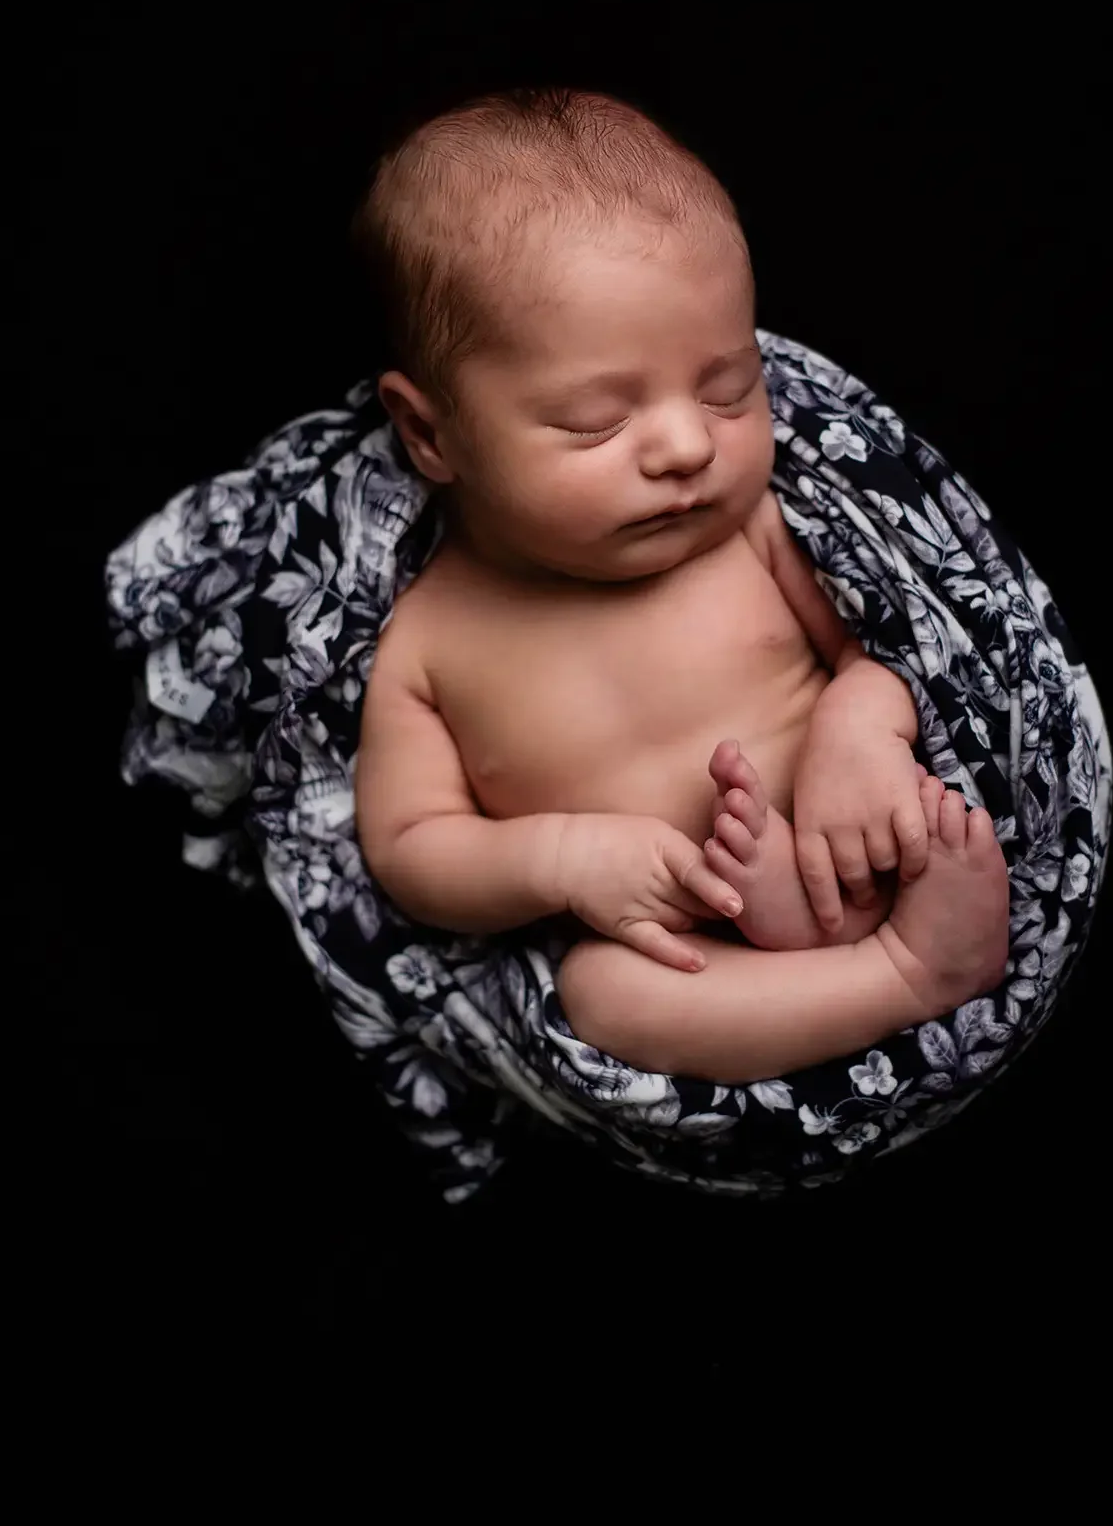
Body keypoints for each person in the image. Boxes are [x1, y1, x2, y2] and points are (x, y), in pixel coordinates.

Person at [351, 88, 1009, 1085]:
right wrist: (561, 856)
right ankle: (908, 976)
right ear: (431, 433)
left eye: (728, 387)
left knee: (940, 810)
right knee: (600, 996)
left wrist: (857, 732)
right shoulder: (426, 640)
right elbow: (409, 848)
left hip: (868, 851)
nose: (689, 444)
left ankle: (895, 928)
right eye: (596, 423)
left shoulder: (751, 527)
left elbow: (877, 651)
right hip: (701, 962)